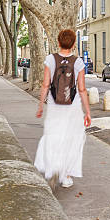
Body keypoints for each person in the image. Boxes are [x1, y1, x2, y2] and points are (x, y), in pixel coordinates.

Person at [35, 29, 91, 188]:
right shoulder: (78, 62)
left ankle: (52, 167)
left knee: (53, 135)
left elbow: (46, 85)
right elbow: (81, 89)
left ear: (58, 42)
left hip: (54, 105)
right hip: (72, 107)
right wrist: (87, 112)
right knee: (71, 138)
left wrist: (40, 105)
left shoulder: (50, 60)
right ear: (73, 44)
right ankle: (66, 175)